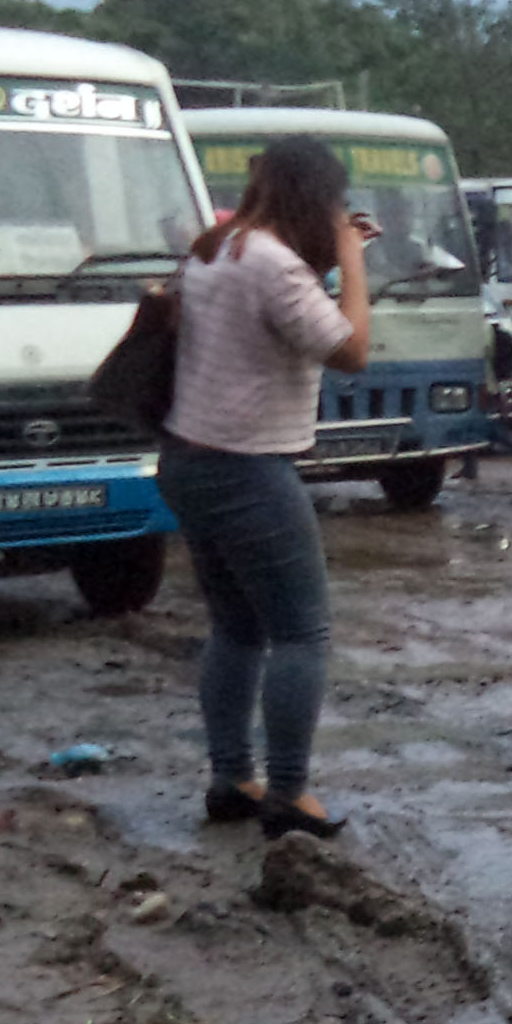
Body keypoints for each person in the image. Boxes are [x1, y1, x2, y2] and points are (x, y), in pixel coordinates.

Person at [159, 135, 373, 839]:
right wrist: (351, 256)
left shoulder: (214, 250)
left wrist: (325, 258)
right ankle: (287, 793)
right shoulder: (277, 268)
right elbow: (351, 350)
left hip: (187, 458)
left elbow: (275, 320)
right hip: (247, 467)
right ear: (317, 196)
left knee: (237, 627)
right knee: (302, 632)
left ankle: (231, 778)